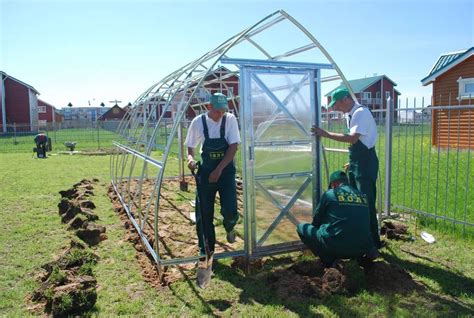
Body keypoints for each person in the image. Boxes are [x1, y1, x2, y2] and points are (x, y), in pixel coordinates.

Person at [312, 88, 382, 249]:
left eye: (336, 104)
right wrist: (353, 161)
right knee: (354, 200)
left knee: (366, 201)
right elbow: (357, 141)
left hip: (365, 163)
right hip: (358, 161)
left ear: (345, 99)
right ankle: (357, 238)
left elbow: (352, 138)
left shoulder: (360, 113)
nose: (335, 108)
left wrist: (325, 133)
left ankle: (373, 243)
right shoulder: (349, 115)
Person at [185, 92, 241, 257]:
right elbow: (190, 146)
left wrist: (219, 170)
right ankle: (206, 248)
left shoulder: (230, 119)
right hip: (206, 172)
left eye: (223, 111)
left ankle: (230, 225)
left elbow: (233, 147)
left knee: (230, 209)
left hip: (226, 171)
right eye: (217, 111)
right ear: (209, 107)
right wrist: (190, 159)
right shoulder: (198, 122)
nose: (220, 114)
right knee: (204, 213)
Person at [296, 170, 378, 268]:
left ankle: (328, 260)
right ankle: (360, 257)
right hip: (362, 248)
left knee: (302, 227)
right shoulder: (363, 196)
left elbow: (317, 220)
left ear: (334, 184)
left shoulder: (330, 194)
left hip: (335, 248)